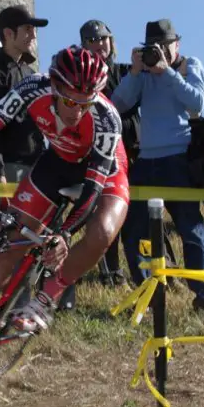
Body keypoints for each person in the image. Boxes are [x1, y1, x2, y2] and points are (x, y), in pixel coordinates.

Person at [0, 46, 129, 333]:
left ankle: (45, 298)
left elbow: (92, 189)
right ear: (54, 86)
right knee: (13, 241)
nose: (77, 110)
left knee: (101, 232)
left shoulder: (107, 119)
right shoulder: (32, 87)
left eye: (85, 103)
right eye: (69, 101)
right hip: (59, 161)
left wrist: (64, 234)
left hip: (105, 171)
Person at [111, 19, 204, 317]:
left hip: (179, 160)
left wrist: (166, 71)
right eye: (152, 47)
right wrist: (134, 71)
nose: (158, 52)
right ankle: (148, 293)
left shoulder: (188, 65)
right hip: (146, 161)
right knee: (132, 230)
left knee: (190, 228)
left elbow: (196, 101)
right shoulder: (142, 72)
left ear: (176, 45)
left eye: (163, 46)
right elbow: (118, 104)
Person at [80, 19, 140, 285]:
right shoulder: (81, 75)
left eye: (103, 38)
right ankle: (110, 273)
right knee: (104, 215)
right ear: (84, 45)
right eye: (93, 40)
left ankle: (147, 273)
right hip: (103, 157)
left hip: (135, 153)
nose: (100, 44)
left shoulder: (127, 72)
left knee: (137, 218)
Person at [0, 5, 48, 184]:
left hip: (39, 166)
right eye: (27, 29)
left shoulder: (32, 74)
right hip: (9, 167)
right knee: (12, 214)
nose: (34, 35)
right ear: (8, 33)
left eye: (34, 30)